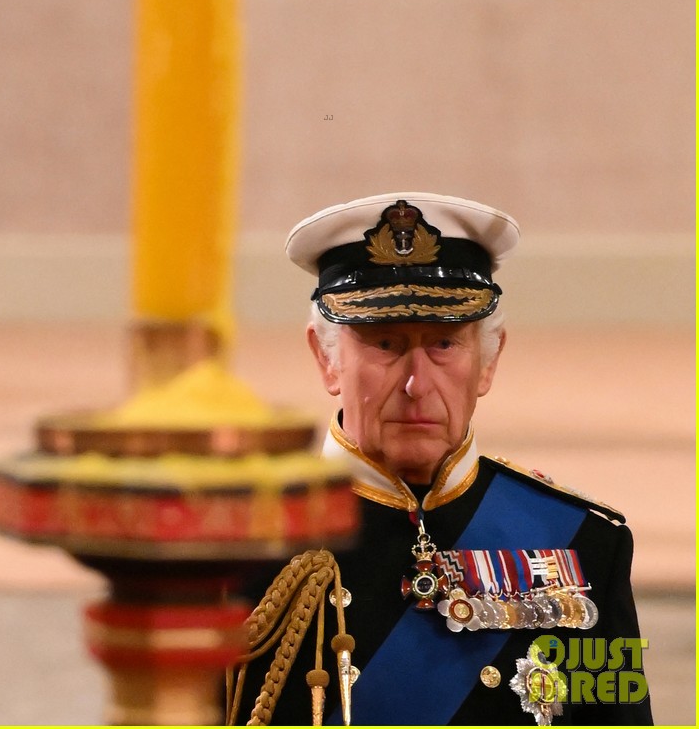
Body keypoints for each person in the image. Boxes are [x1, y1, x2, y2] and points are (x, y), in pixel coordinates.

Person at [229, 193, 652, 727]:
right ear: (327, 359)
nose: (416, 384)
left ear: (488, 363)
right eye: (385, 344)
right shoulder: (239, 545)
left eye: (445, 345)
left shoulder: (584, 544)